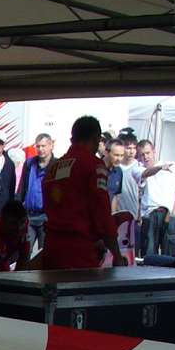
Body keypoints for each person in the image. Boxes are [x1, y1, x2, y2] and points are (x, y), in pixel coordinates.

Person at [39, 115, 121, 271]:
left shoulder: (54, 168)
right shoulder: (94, 165)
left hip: (51, 249)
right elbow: (101, 211)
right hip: (79, 252)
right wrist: (116, 254)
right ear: (96, 138)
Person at [136, 140, 175, 258]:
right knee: (148, 255)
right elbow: (146, 173)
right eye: (142, 154)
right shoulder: (138, 169)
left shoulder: (172, 166)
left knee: (170, 256)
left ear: (154, 151)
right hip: (150, 215)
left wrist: (174, 215)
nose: (145, 157)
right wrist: (160, 168)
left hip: (169, 214)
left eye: (148, 153)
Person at [16, 132, 53, 250]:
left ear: (51, 145)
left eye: (43, 146)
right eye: (38, 146)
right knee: (24, 253)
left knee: (44, 253)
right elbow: (22, 188)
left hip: (46, 218)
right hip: (29, 216)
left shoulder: (56, 165)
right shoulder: (29, 163)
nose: (40, 149)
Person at [0, 200, 31, 271]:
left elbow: (24, 256)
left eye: (22, 222)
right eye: (13, 223)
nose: (19, 228)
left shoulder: (25, 224)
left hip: (5, 258)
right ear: (3, 221)